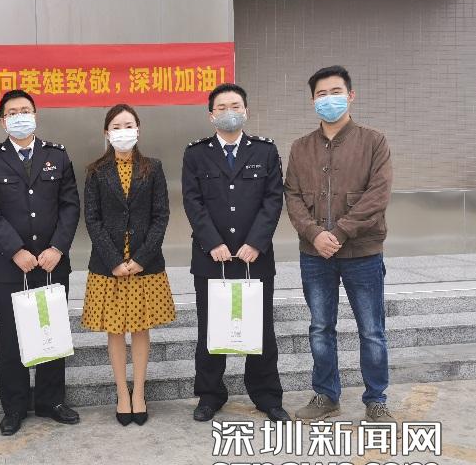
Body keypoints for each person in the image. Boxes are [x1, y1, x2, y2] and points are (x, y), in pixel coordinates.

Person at [284, 65, 394, 424]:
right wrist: (314, 234)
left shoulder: (374, 141)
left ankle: (376, 399)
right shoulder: (300, 147)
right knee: (320, 327)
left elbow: (378, 195)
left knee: (372, 330)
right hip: (314, 254)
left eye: (336, 92)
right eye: (321, 94)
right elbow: (292, 196)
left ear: (351, 95)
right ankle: (326, 396)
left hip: (363, 252)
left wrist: (341, 232)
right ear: (312, 101)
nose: (328, 99)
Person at [0, 89, 81, 436]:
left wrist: (58, 248)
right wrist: (15, 249)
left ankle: (52, 401)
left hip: (52, 264)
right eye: (12, 112)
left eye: (25, 110)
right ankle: (14, 406)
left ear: (35, 115)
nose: (19, 116)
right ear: (2, 121)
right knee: (10, 338)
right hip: (9, 267)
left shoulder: (57, 155)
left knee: (51, 333)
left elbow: (70, 206)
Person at [182, 83, 290, 424]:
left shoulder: (265, 151)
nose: (229, 112)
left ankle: (267, 395)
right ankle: (210, 395)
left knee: (261, 330)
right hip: (210, 257)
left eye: (236, 106)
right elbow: (193, 202)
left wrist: (256, 242)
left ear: (246, 111)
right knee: (210, 329)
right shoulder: (196, 154)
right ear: (211, 115)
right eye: (222, 107)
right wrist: (213, 242)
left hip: (255, 257)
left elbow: (273, 199)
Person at [82, 104, 175, 426]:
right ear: (106, 133)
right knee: (115, 329)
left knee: (140, 328)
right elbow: (92, 218)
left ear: (138, 129)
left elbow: (161, 215)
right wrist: (114, 261)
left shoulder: (153, 167)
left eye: (129, 125)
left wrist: (140, 258)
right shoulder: (96, 171)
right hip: (108, 265)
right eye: (117, 127)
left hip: (144, 264)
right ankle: (122, 392)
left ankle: (140, 393)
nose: (123, 132)